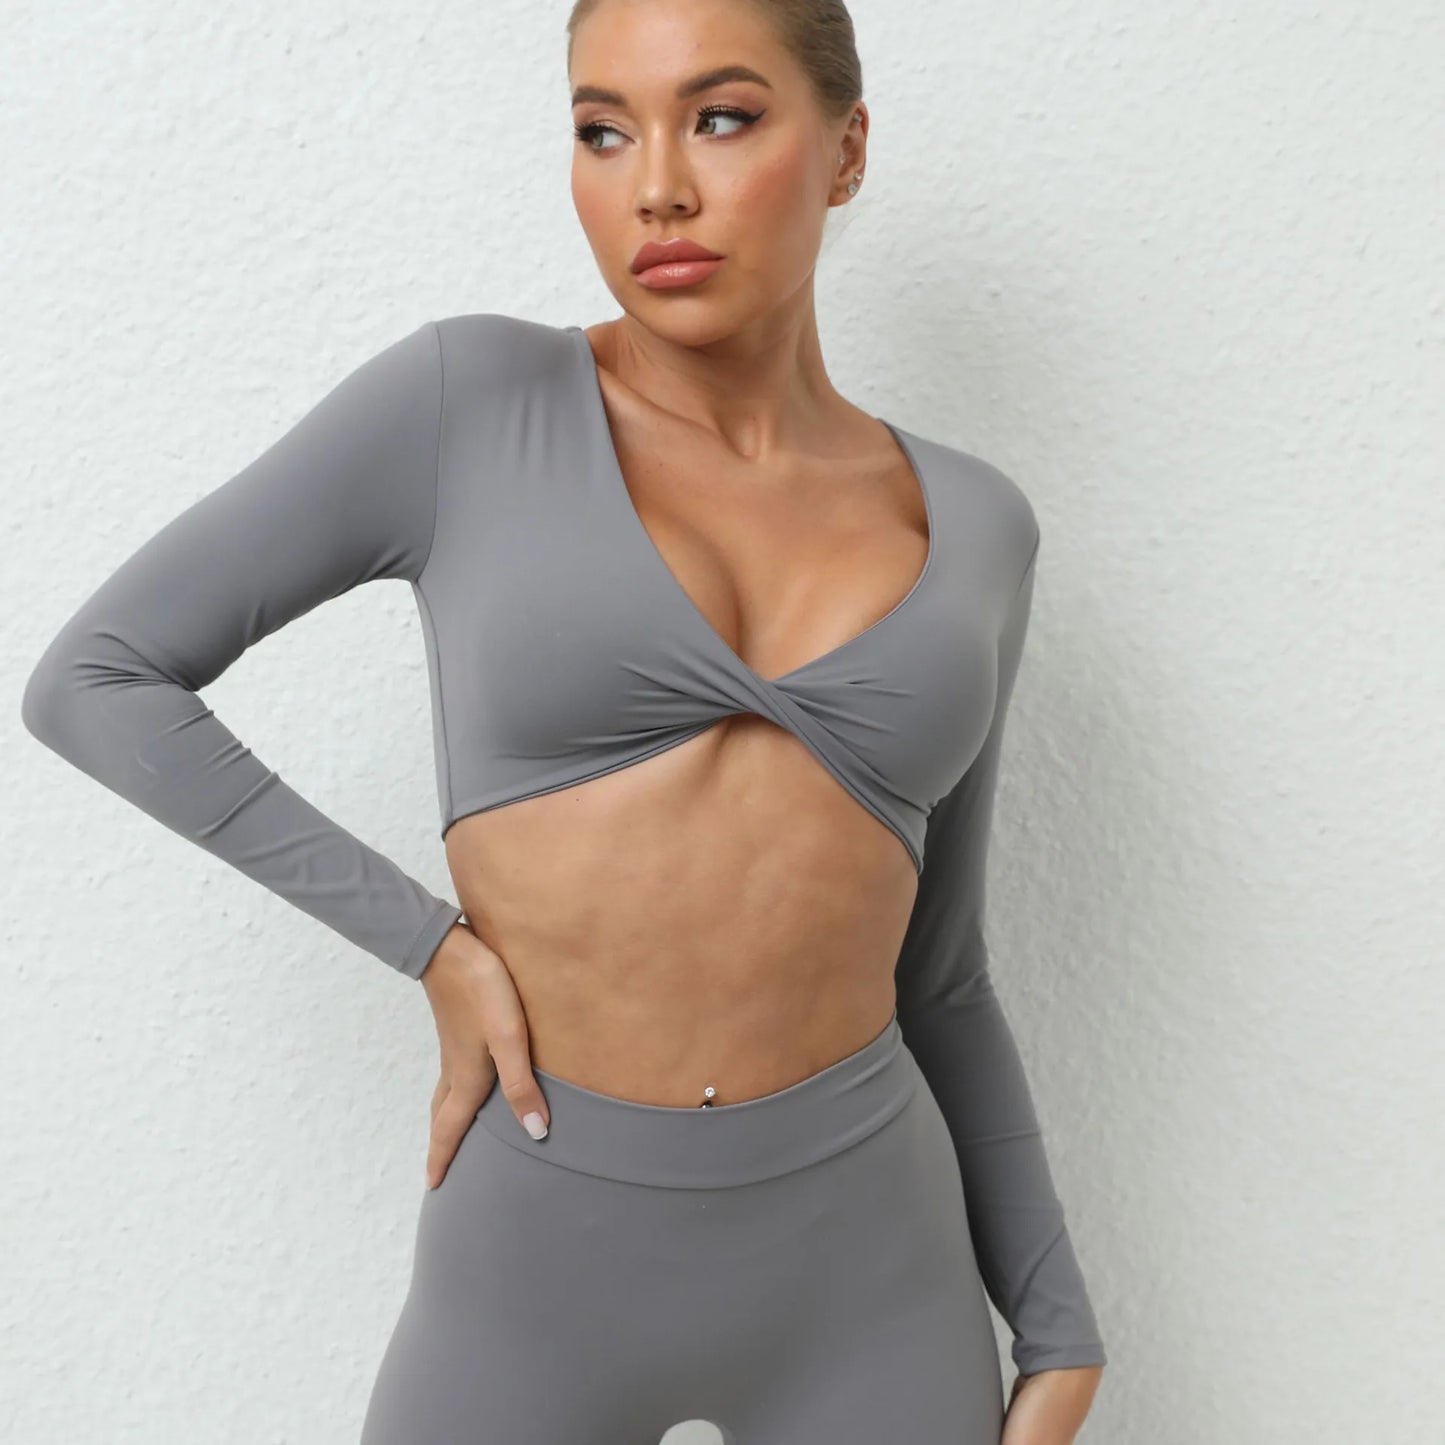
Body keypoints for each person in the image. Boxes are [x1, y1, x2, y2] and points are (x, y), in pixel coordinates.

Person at [20, 1, 1107, 1441]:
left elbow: (943, 974)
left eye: (720, 118)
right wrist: (430, 944)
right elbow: (97, 677)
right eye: (603, 131)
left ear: (845, 149)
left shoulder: (977, 523)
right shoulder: (467, 403)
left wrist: (1056, 1317)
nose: (656, 184)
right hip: (537, 1257)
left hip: (875, 1271)